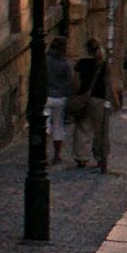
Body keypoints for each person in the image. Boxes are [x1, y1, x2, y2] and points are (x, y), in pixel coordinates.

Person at [70, 39, 109, 170]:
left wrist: (76, 95)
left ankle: (82, 157)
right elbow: (110, 84)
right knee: (100, 130)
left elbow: (75, 82)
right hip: (99, 99)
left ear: (87, 50)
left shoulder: (82, 63)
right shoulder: (104, 64)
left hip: (84, 98)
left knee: (82, 128)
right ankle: (100, 157)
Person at [44, 36, 71, 164]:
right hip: (60, 97)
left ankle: (42, 152)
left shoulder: (45, 60)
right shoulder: (65, 63)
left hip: (46, 96)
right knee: (58, 126)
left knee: (45, 125)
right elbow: (68, 81)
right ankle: (56, 155)